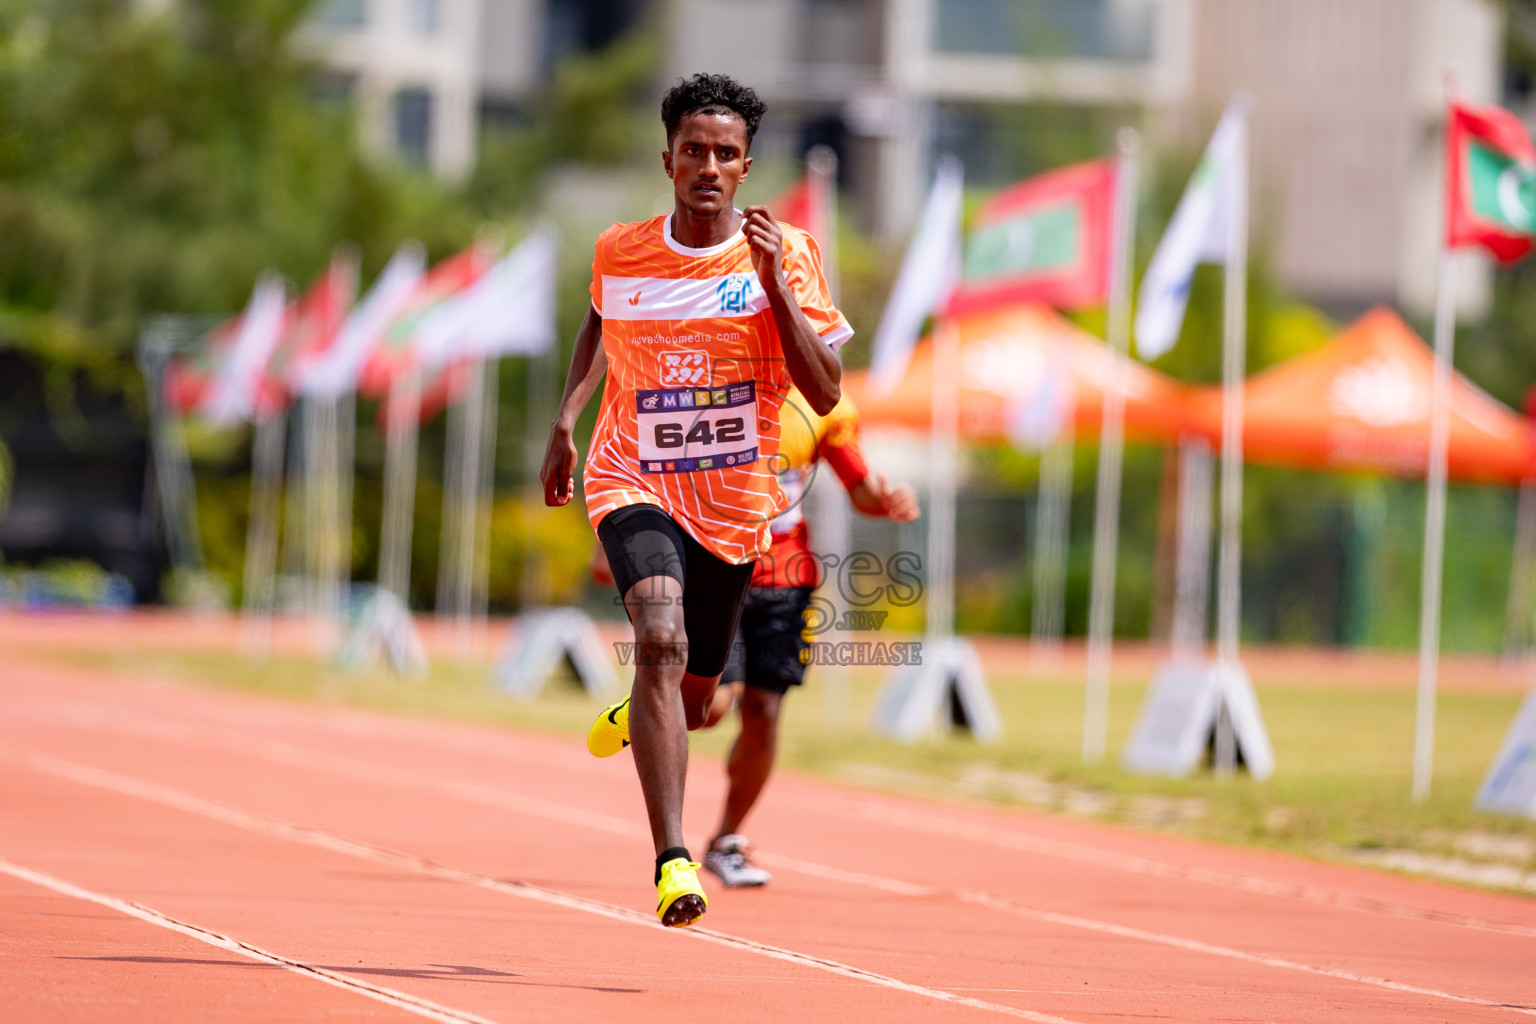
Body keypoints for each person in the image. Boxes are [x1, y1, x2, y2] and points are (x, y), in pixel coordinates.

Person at [540, 73, 850, 928]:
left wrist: (773, 285)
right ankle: (674, 860)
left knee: (697, 697)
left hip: (734, 501)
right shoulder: (620, 249)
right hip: (630, 474)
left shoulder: (788, 255)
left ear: (746, 167)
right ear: (667, 158)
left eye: (725, 154)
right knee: (661, 637)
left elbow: (824, 394)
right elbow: (601, 319)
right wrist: (567, 419)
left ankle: (644, 713)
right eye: (693, 152)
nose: (707, 166)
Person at [697, 387, 917, 887]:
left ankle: (726, 840)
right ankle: (648, 708)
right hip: (717, 568)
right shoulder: (711, 379)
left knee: (764, 714)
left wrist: (887, 500)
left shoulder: (824, 404)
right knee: (709, 709)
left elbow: (860, 488)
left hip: (785, 578)